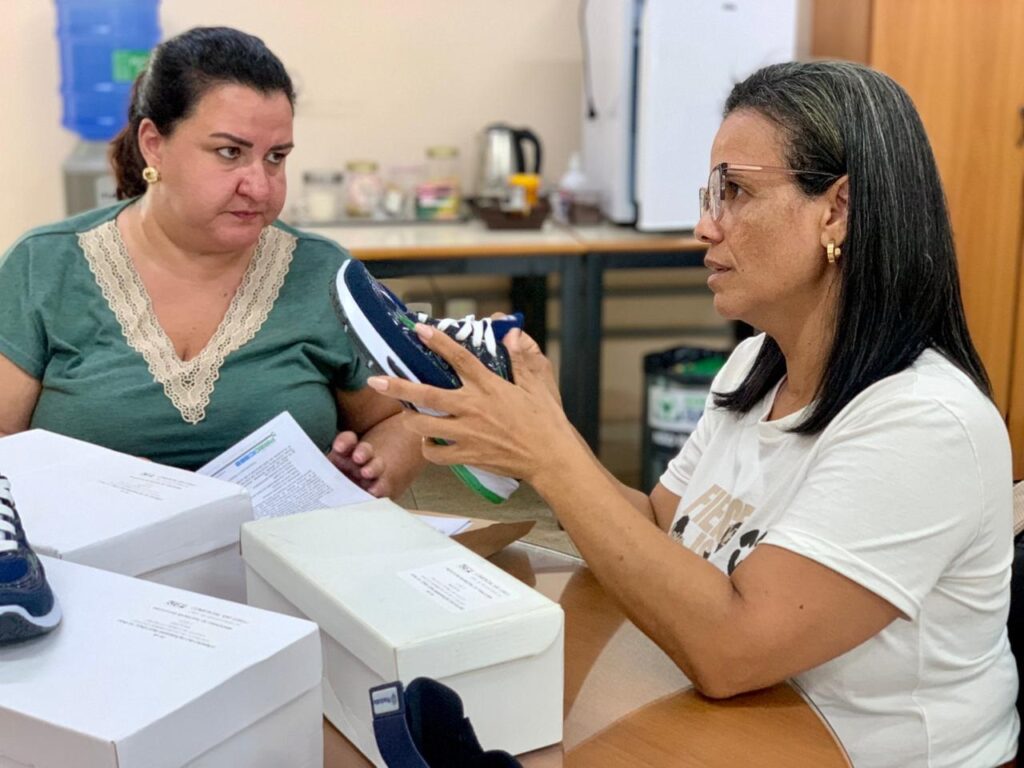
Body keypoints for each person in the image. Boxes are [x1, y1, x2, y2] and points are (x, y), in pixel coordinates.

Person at [366, 61, 1019, 767]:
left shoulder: (926, 423)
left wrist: (549, 454)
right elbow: (658, 530)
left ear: (837, 209)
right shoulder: (754, 367)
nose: (705, 226)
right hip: (738, 733)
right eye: (710, 194)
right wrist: (531, 438)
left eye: (734, 192)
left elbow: (731, 650)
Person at [0, 26, 423, 497]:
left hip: (283, 541)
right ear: (153, 143)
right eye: (229, 152)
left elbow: (402, 418)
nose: (258, 186)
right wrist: (81, 480)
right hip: (84, 543)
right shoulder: (43, 266)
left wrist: (370, 470)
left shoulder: (324, 275)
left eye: (275, 157)